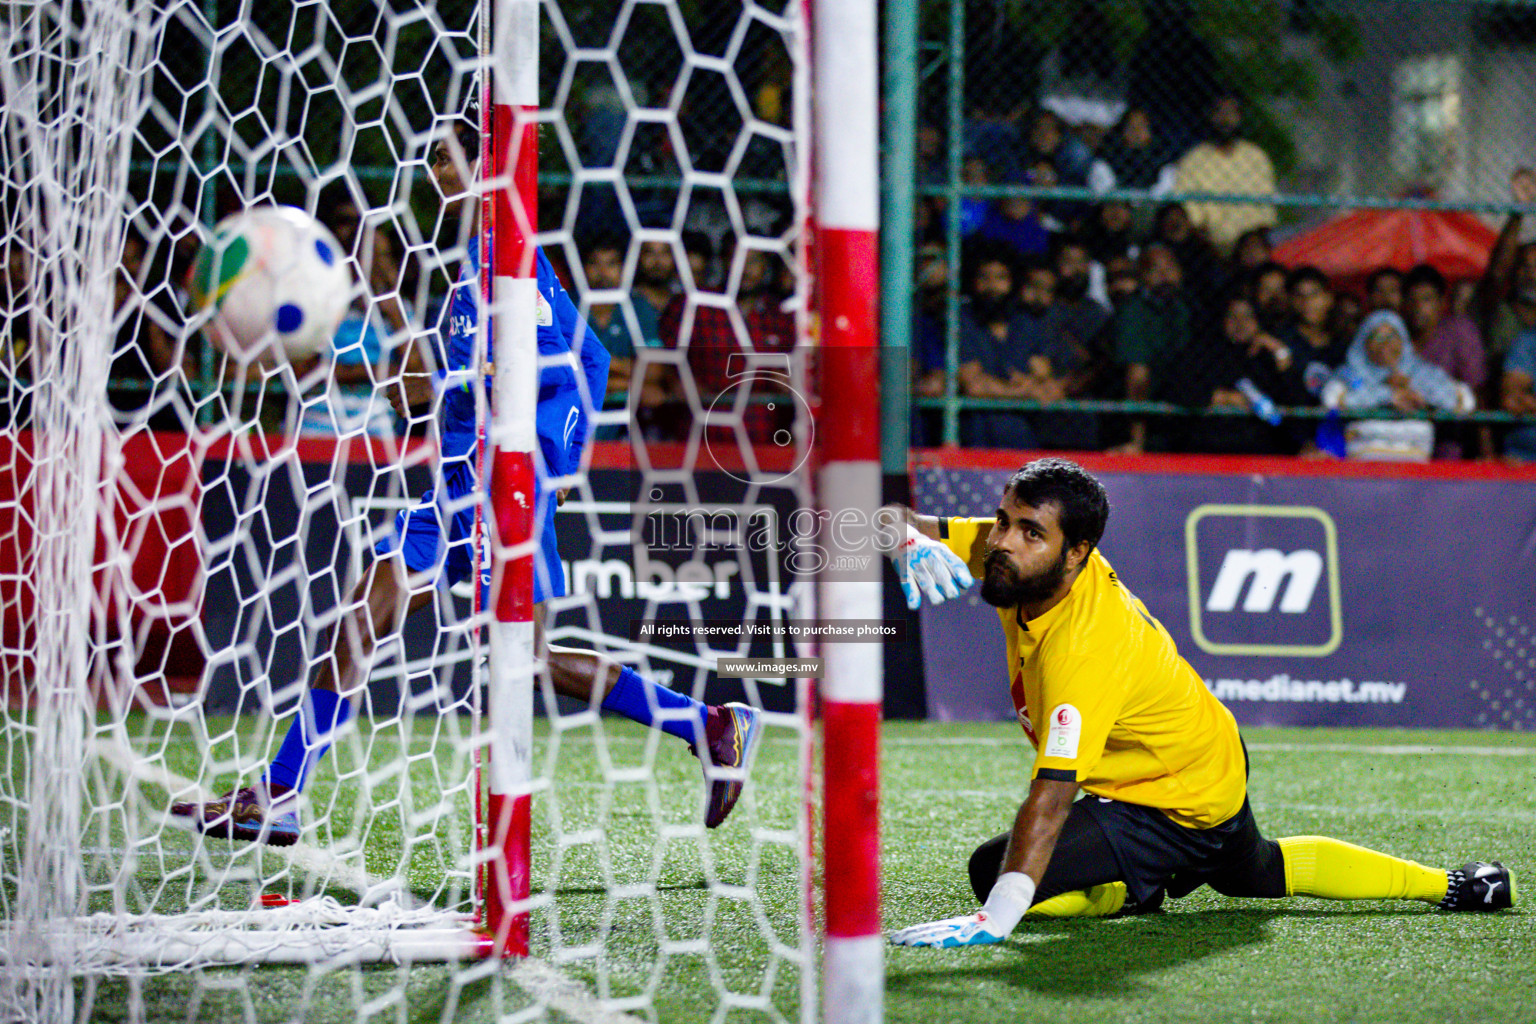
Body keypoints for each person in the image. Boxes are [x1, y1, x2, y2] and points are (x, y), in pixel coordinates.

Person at [172, 108, 762, 846]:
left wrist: (541, 456)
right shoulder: (470, 273)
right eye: (433, 163)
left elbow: (573, 362)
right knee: (358, 620)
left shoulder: (514, 268)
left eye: (451, 159)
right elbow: (472, 376)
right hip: (449, 487)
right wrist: (385, 378)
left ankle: (708, 722)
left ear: (492, 168)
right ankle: (281, 794)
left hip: (498, 490)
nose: (437, 175)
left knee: (527, 658)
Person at [885, 457, 1515, 949]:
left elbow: (1050, 800)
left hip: (1172, 802)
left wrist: (993, 921)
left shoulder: (1084, 648)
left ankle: (1129, 890)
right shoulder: (1020, 559)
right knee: (1257, 873)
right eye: (1002, 521)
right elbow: (886, 516)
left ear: (1076, 554)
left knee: (995, 873)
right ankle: (1457, 884)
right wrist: (903, 541)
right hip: (1202, 755)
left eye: (1029, 532)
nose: (1001, 542)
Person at [1110, 243, 1192, 454]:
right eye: (1155, 270)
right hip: (1151, 402)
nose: (1164, 275)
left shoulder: (1188, 308)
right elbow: (1136, 374)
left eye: (1170, 268)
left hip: (1186, 394)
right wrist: (1138, 441)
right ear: (1143, 276)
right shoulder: (1133, 311)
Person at [1172, 92, 1277, 256]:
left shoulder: (1256, 157)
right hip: (1208, 246)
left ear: (1240, 118)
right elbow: (1191, 217)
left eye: (1231, 113)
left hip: (1251, 245)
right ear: (1210, 117)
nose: (1225, 119)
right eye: (1220, 112)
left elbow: (1266, 213)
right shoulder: (1193, 160)